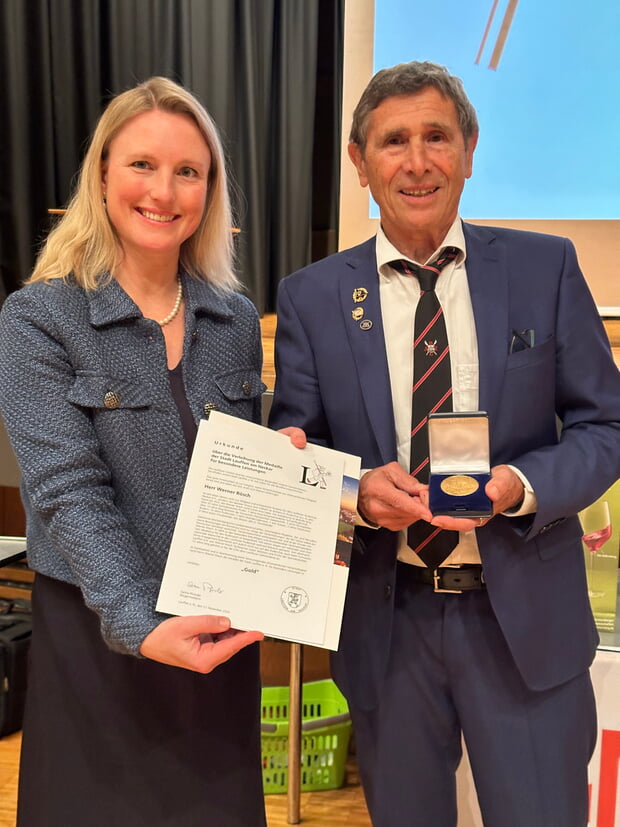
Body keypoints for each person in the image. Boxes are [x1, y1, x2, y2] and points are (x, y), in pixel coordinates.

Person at [269, 61, 620, 826]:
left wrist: (518, 486)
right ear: (359, 160)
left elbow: (605, 427)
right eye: (394, 141)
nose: (418, 161)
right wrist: (355, 494)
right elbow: (293, 448)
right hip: (388, 628)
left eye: (437, 136)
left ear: (469, 148)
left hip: (523, 622)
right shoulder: (312, 297)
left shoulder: (545, 267)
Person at [0, 77, 269, 826]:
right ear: (103, 175)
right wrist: (138, 621)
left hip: (216, 640)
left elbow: (237, 477)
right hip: (98, 640)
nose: (165, 190)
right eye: (143, 165)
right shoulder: (40, 318)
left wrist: (283, 475)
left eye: (189, 170)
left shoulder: (234, 318)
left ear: (210, 189)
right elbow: (67, 491)